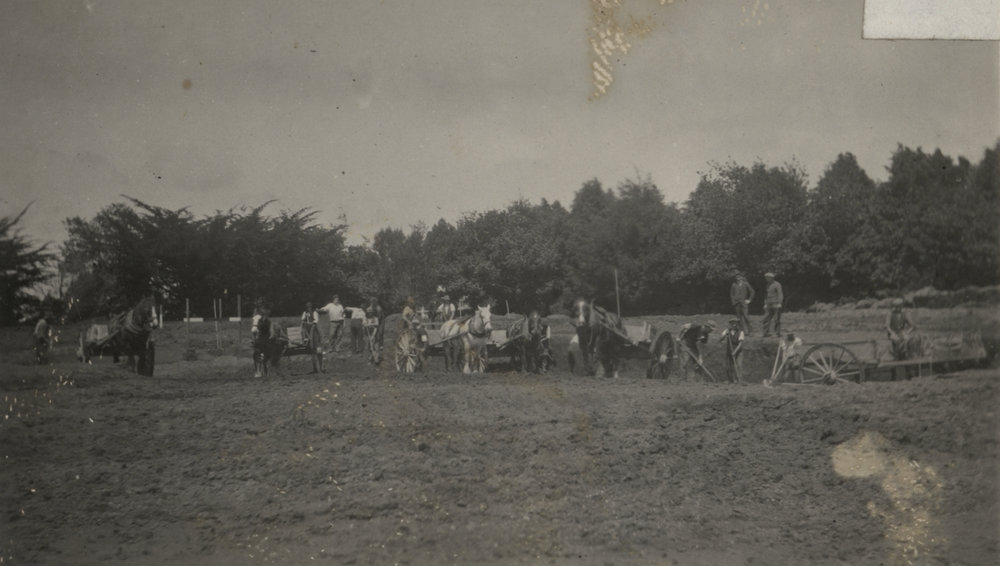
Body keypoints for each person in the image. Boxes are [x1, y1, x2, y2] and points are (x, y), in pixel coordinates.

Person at [718, 318, 745, 383]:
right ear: (731, 324)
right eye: (733, 323)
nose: (734, 325)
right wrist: (725, 335)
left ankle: (739, 380)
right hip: (729, 351)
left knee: (739, 365)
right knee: (729, 366)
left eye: (736, 323)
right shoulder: (727, 331)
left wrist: (735, 351)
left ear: (738, 324)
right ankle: (730, 380)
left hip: (738, 352)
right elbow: (720, 339)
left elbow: (740, 344)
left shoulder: (741, 332)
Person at [761, 272, 784, 337]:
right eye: (766, 278)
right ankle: (765, 333)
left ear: (771, 278)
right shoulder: (767, 285)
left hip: (776, 304)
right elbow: (766, 295)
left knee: (776, 319)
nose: (766, 279)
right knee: (766, 318)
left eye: (768, 278)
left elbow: (780, 294)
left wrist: (780, 303)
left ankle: (777, 333)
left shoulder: (777, 284)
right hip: (768, 304)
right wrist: (765, 303)